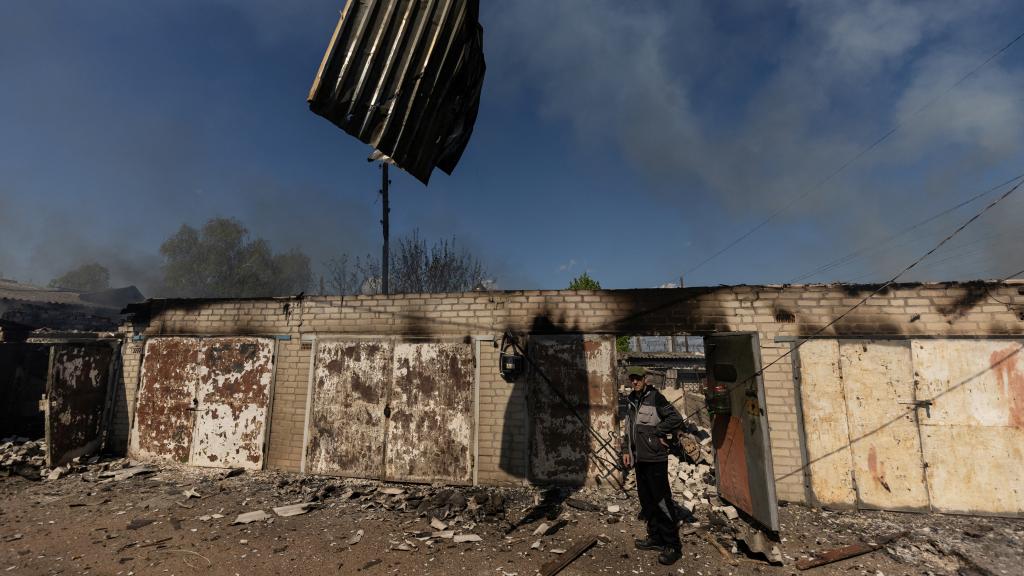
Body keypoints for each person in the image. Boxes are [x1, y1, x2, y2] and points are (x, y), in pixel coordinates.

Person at [621, 366, 683, 565]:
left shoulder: (656, 398)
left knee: (662, 501)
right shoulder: (631, 400)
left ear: (645, 379)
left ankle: (673, 545)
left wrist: (657, 432)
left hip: (655, 459)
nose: (635, 382)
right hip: (639, 459)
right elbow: (628, 428)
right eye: (632, 379)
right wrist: (625, 450)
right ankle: (656, 538)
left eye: (638, 378)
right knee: (647, 502)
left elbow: (675, 418)